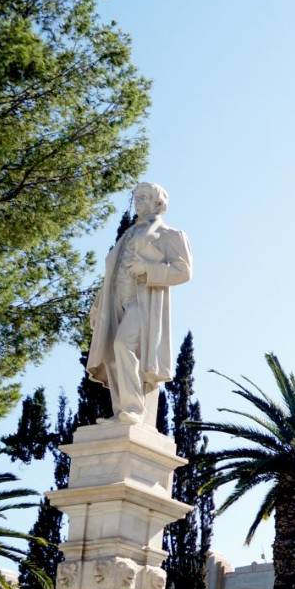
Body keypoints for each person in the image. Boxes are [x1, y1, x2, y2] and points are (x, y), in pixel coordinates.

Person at [85, 182, 192, 424]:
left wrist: (148, 269)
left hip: (143, 302)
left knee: (123, 345)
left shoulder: (170, 235)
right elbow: (112, 273)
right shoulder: (127, 235)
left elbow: (184, 271)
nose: (138, 201)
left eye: (144, 197)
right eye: (137, 197)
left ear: (158, 202)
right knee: (112, 353)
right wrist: (98, 305)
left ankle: (134, 408)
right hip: (116, 301)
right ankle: (121, 411)